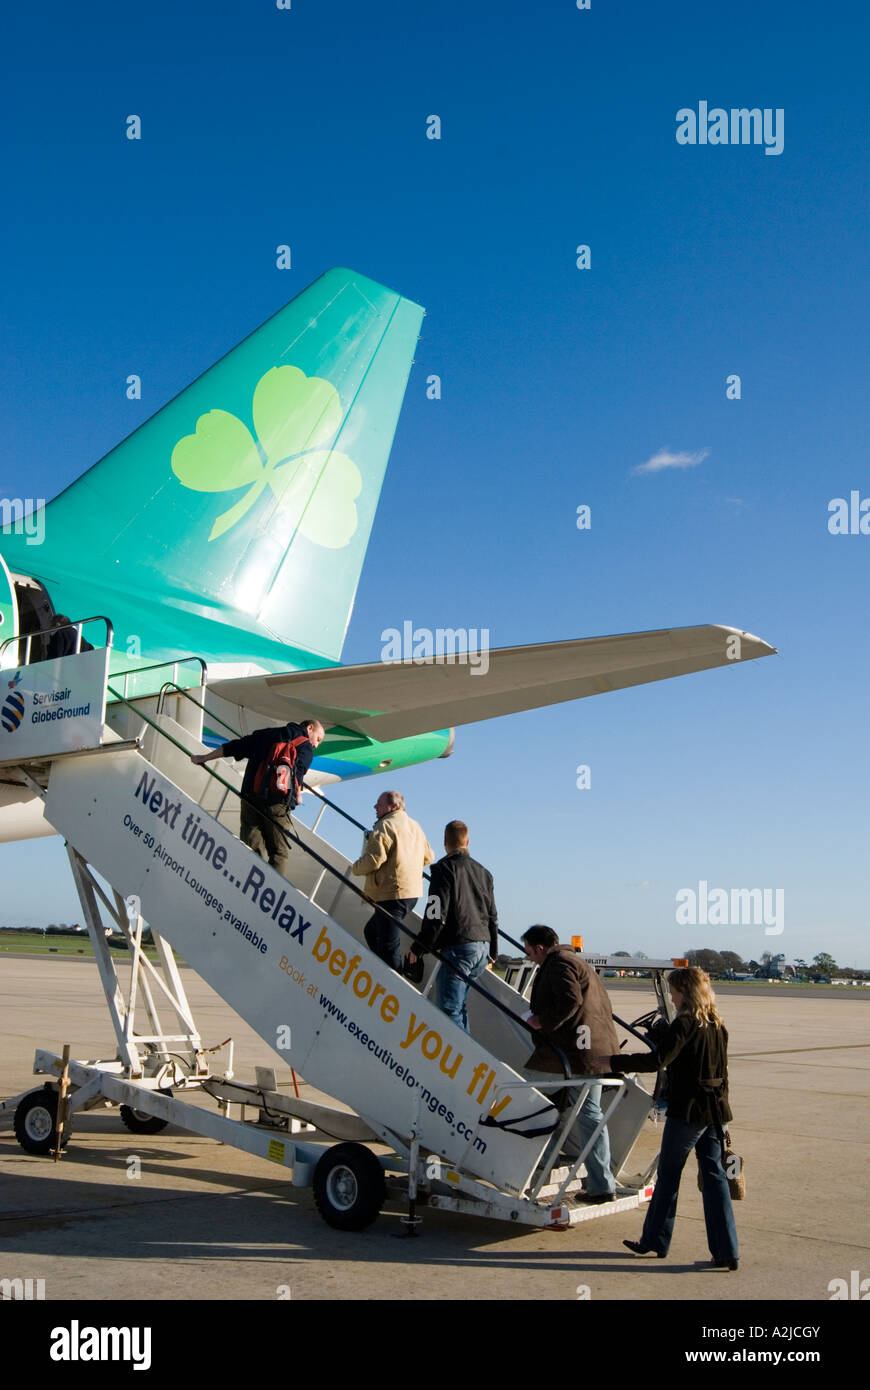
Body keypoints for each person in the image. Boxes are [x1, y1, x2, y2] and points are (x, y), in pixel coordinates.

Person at [600, 965, 739, 1269]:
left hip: (689, 1110)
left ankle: (654, 1240)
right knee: (715, 1178)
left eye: (674, 991)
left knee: (669, 1176)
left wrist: (613, 1061)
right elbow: (723, 1073)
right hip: (714, 1110)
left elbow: (657, 1061)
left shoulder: (685, 1023)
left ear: (684, 991)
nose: (672, 998)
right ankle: (727, 1249)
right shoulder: (717, 1023)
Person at [521, 925, 620, 1202]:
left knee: (527, 1097)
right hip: (593, 1050)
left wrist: (541, 1021)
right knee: (588, 1114)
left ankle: (548, 1165)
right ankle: (601, 1182)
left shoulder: (559, 963)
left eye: (529, 952)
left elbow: (570, 1001)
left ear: (540, 948)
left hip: (578, 1054)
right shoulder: (577, 961)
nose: (530, 958)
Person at [191, 719, 325, 878]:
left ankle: (247, 884)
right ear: (309, 728)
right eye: (318, 739)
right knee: (279, 853)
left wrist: (204, 758)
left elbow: (234, 747)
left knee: (250, 847)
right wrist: (297, 795)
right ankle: (270, 890)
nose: (316, 745)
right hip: (277, 804)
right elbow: (298, 775)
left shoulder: (268, 733)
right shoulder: (305, 746)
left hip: (250, 796)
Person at [407, 820, 498, 1031]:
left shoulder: (443, 869)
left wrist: (419, 947)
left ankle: (462, 1059)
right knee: (459, 1008)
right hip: (482, 947)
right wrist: (493, 950)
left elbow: (436, 914)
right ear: (467, 841)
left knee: (448, 1011)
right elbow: (493, 915)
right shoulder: (484, 873)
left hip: (460, 947)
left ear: (445, 842)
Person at [350, 791, 434, 972]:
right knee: (372, 932)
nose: (375, 807)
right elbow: (429, 856)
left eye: (379, 804)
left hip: (391, 894)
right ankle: (383, 972)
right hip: (411, 893)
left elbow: (374, 859)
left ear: (394, 807)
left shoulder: (385, 825)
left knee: (388, 945)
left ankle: (392, 982)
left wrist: (355, 868)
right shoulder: (415, 826)